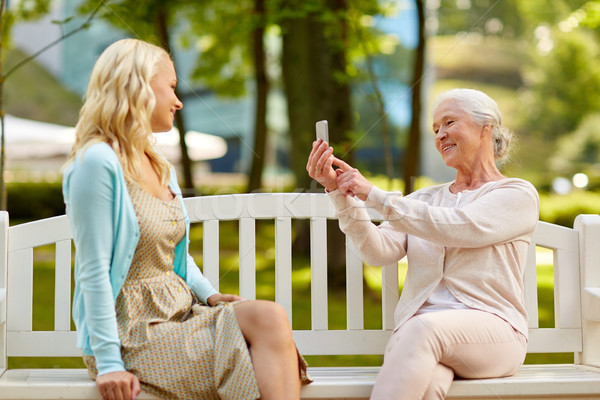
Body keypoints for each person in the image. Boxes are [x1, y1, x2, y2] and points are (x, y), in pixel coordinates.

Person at [63, 38, 309, 400]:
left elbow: (174, 255)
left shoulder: (157, 163)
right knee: (266, 345)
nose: (178, 101)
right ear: (141, 86)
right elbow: (94, 269)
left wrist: (209, 296)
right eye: (172, 88)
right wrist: (110, 362)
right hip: (131, 333)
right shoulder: (96, 162)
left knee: (269, 317)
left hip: (180, 315)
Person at [307, 88, 539, 400]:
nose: (440, 134)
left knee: (423, 328)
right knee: (427, 388)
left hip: (492, 334)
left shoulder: (516, 194)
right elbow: (379, 251)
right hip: (423, 340)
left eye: (449, 122)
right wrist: (340, 193)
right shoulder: (425, 199)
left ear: (487, 128)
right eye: (435, 129)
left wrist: (374, 195)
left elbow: (461, 228)